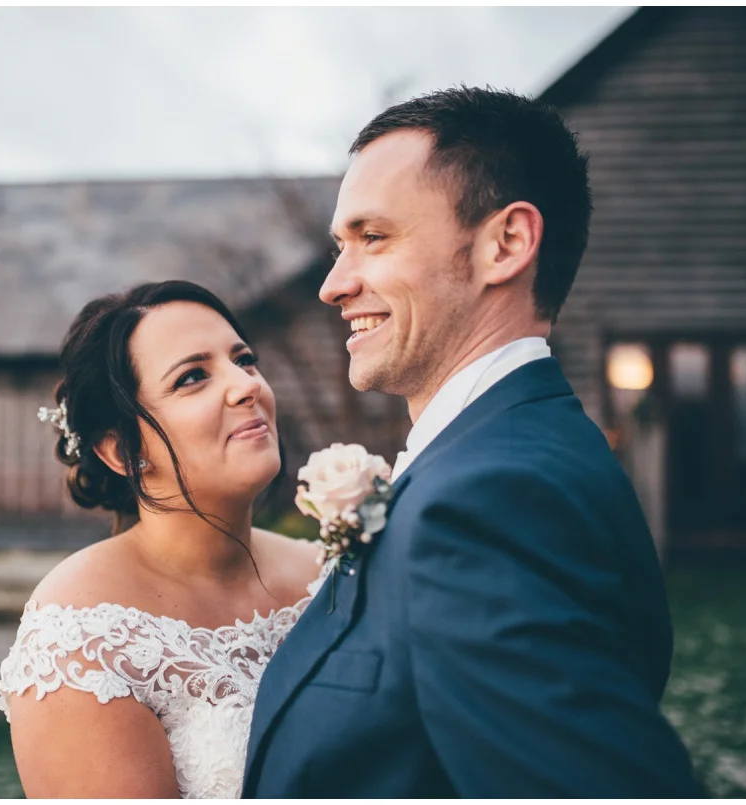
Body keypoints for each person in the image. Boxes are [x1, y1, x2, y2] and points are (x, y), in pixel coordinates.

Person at [243, 86, 704, 797]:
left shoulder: (490, 502)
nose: (333, 285)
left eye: (373, 237)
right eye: (340, 246)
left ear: (505, 244)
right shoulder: (510, 458)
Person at [0, 280, 324, 798]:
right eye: (193, 377)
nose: (246, 387)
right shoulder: (83, 640)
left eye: (244, 360)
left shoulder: (330, 572)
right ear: (122, 452)